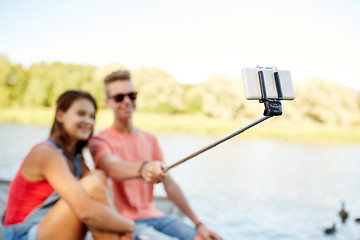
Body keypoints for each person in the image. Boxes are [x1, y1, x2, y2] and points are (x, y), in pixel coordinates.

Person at [89, 70, 222, 240]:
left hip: (154, 215)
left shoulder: (150, 140)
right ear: (107, 102)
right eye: (119, 97)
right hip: (123, 221)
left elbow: (170, 185)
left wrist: (198, 224)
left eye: (132, 95)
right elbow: (112, 168)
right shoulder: (100, 140)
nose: (127, 101)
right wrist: (144, 169)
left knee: (203, 238)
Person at [1, 90, 134, 240]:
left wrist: (121, 232)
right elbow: (86, 211)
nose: (88, 121)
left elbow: (100, 204)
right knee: (95, 182)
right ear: (60, 115)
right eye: (81, 114)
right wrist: (131, 226)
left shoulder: (76, 161)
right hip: (22, 234)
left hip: (47, 231)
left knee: (100, 178)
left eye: (92, 116)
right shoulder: (46, 153)